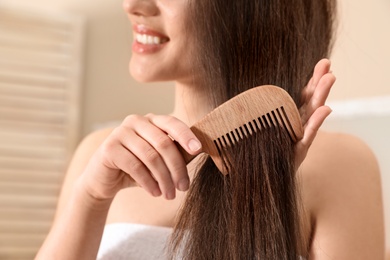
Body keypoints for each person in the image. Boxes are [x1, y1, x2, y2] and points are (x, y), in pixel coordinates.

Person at [36, 0, 385, 259]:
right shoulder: (98, 158)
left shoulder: (340, 164)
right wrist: (90, 199)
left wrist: (263, 197)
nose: (133, 5)